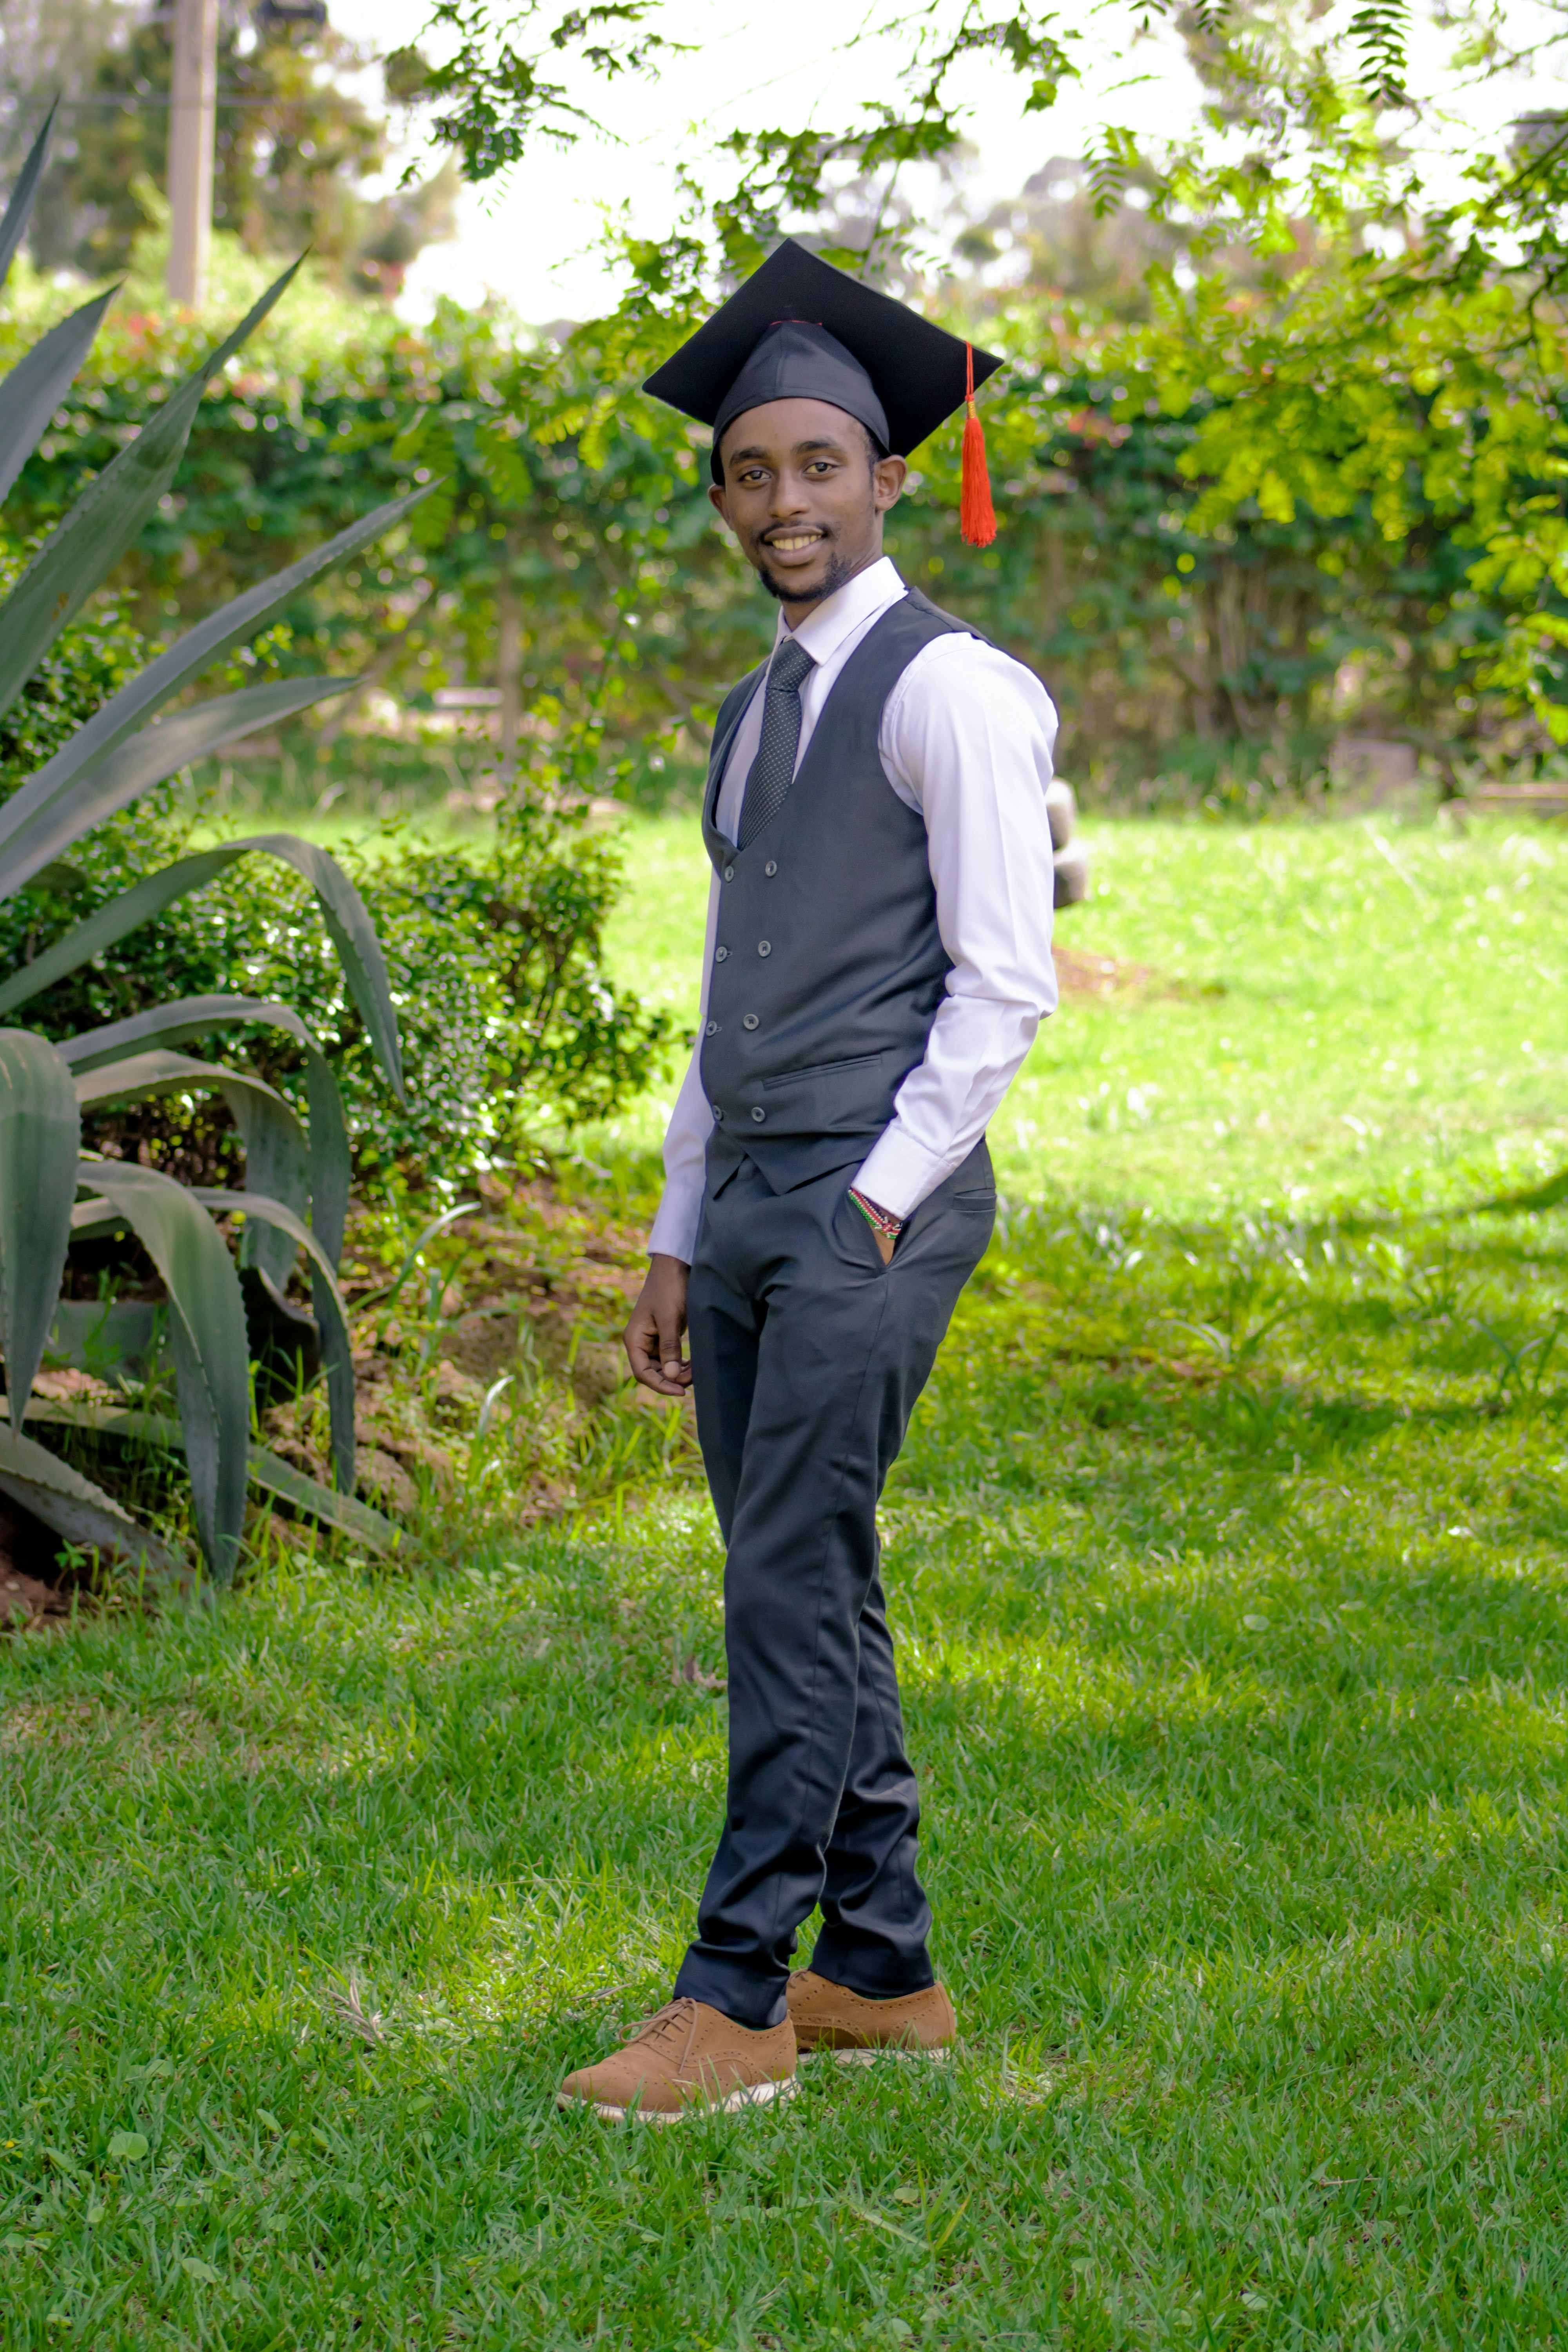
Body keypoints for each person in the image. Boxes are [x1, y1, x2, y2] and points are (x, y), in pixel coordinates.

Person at [558, 239, 1059, 2123]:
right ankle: (884, 1970)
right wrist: (682, 1232)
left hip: (872, 1200)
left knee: (778, 1580)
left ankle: (737, 1997)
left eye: (819, 468)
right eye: (751, 472)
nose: (786, 501)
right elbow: (731, 984)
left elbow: (1008, 979)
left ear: (888, 479)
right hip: (753, 1197)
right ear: (724, 497)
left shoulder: (957, 692)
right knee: (810, 1578)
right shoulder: (754, 708)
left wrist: (878, 1193)